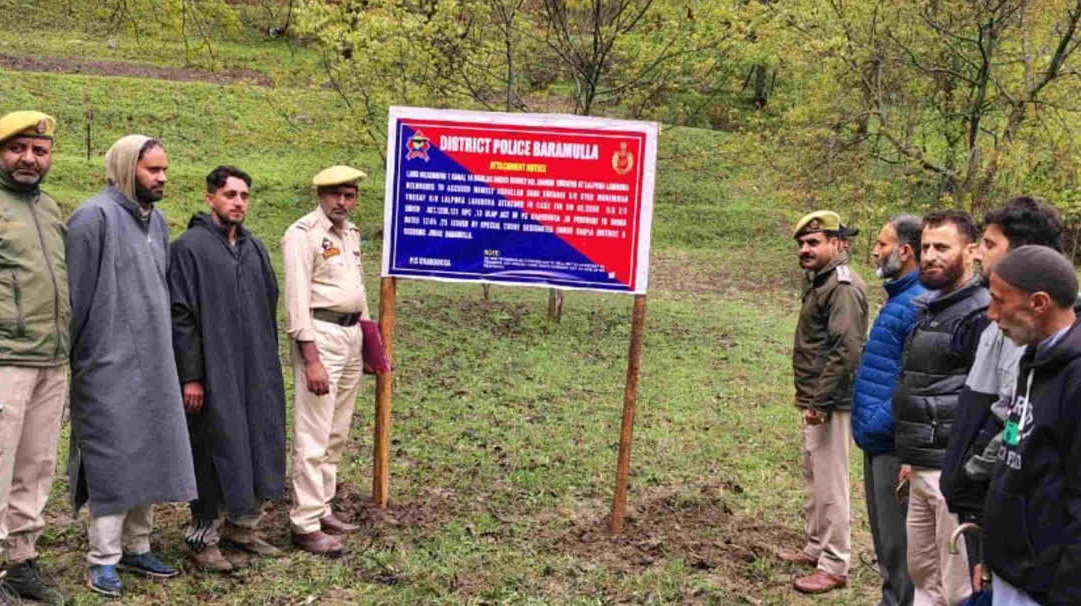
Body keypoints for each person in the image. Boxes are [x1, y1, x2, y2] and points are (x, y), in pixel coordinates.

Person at [67, 135, 197, 597]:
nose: (162, 178)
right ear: (126, 168)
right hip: (106, 361)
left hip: (155, 360)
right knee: (114, 456)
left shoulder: (156, 221)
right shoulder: (92, 217)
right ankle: (103, 558)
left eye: (164, 170)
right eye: (152, 170)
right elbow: (75, 298)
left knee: (152, 448)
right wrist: (79, 361)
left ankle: (137, 546)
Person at [938, 196, 1064, 587]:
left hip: (1000, 510)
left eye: (990, 244)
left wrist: (974, 474)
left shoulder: (1031, 328)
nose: (978, 253)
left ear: (1024, 253)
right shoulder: (998, 319)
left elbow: (1014, 419)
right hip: (982, 505)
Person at [168, 166, 286, 572]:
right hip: (213, 371)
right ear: (210, 199)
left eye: (244, 196)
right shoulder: (189, 248)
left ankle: (242, 527)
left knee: (256, 441)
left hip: (255, 366)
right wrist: (191, 375)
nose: (238, 203)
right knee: (214, 447)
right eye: (230, 195)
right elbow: (181, 315)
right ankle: (202, 536)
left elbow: (269, 302)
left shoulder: (254, 248)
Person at [892, 210, 986, 606]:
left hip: (952, 470)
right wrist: (909, 457)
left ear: (971, 251)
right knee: (923, 575)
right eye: (926, 246)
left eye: (942, 247)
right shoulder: (928, 306)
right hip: (920, 464)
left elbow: (986, 400)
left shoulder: (980, 313)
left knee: (957, 586)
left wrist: (966, 470)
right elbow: (920, 383)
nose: (930, 255)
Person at [981, 245, 1081, 606]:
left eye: (999, 301)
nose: (991, 313)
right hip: (1012, 570)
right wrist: (992, 552)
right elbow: (1015, 449)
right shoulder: (1035, 356)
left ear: (1039, 303)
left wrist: (1067, 593)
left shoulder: (1075, 377)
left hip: (1046, 586)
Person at [282, 165, 372, 556]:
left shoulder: (350, 234)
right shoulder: (303, 234)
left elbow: (358, 290)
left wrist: (369, 342)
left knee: (336, 431)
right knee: (313, 433)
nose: (343, 202)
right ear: (320, 195)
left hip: (351, 336)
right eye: (336, 194)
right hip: (320, 335)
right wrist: (311, 358)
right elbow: (296, 300)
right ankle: (304, 523)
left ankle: (322, 506)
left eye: (349, 195)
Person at [0, 111, 69, 605]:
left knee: (37, 464)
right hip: (6, 358)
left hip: (51, 358)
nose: (29, 159)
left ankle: (21, 561)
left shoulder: (49, 208)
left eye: (39, 151)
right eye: (17, 148)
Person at [784, 210, 869, 594]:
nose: (805, 249)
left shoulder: (842, 286)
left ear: (838, 244)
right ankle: (817, 545)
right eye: (802, 243)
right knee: (815, 474)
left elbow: (846, 350)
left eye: (814, 242)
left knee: (832, 482)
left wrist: (820, 402)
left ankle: (835, 563)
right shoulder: (821, 281)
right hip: (818, 396)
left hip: (832, 400)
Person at [851, 215, 925, 606]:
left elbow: (914, 379)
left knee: (899, 547)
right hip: (876, 438)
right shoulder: (899, 297)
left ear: (905, 251)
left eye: (882, 244)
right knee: (884, 541)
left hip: (892, 441)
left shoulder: (915, 303)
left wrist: (881, 420)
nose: (875, 251)